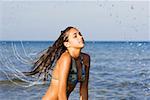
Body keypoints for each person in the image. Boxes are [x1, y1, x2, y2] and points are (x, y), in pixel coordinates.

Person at [24, 26, 90, 100]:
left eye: (80, 34)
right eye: (75, 36)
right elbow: (61, 92)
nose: (81, 37)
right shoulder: (66, 58)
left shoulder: (85, 59)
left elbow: (84, 89)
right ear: (67, 44)